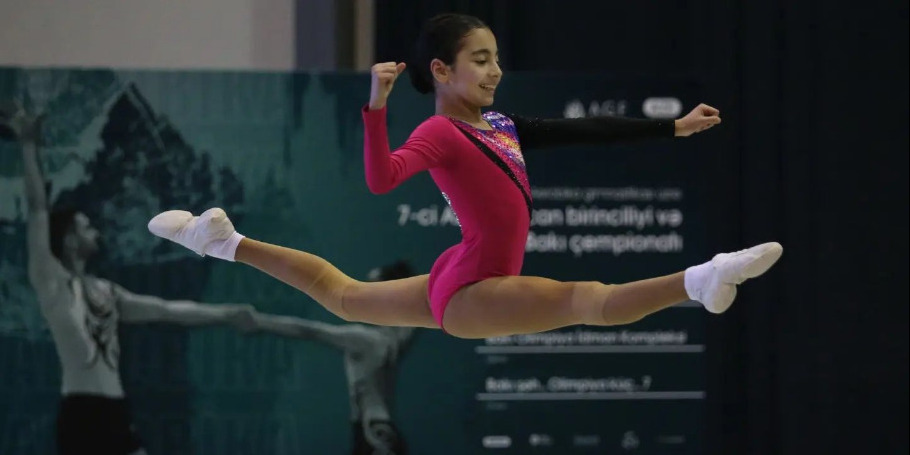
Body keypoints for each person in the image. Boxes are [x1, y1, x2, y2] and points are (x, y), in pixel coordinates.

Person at [147, 13, 783, 340]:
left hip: (465, 270)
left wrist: (669, 129)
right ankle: (699, 280)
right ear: (442, 70)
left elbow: (580, 131)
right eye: (479, 60)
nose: (494, 69)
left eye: (496, 59)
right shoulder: (440, 133)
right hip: (474, 286)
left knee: (343, 297)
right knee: (587, 300)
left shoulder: (498, 125)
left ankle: (222, 243)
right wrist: (375, 107)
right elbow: (381, 179)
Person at [3, 107, 258, 455]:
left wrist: (225, 314)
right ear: (68, 239)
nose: (95, 231)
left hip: (115, 412)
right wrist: (29, 145)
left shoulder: (106, 292)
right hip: (81, 413)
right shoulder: (52, 283)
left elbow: (168, 311)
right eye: (85, 226)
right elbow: (37, 210)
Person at [254, 260, 416, 455]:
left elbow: (308, 330)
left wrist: (259, 321)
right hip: (373, 428)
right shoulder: (397, 339)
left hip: (373, 431)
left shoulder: (366, 340)